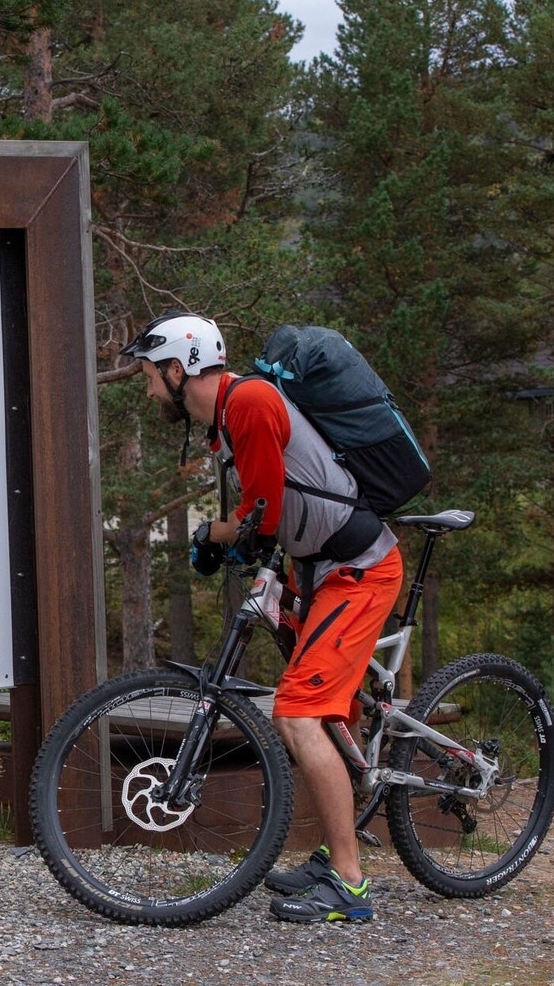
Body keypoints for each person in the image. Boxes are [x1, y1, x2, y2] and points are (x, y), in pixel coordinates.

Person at [121, 310, 404, 923]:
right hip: (322, 568)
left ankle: (351, 887)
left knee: (298, 713)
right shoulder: (227, 418)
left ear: (179, 369)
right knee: (323, 715)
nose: (147, 390)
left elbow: (264, 514)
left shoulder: (246, 403)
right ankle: (336, 854)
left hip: (358, 569)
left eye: (149, 376)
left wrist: (211, 533)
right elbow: (268, 517)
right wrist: (235, 540)